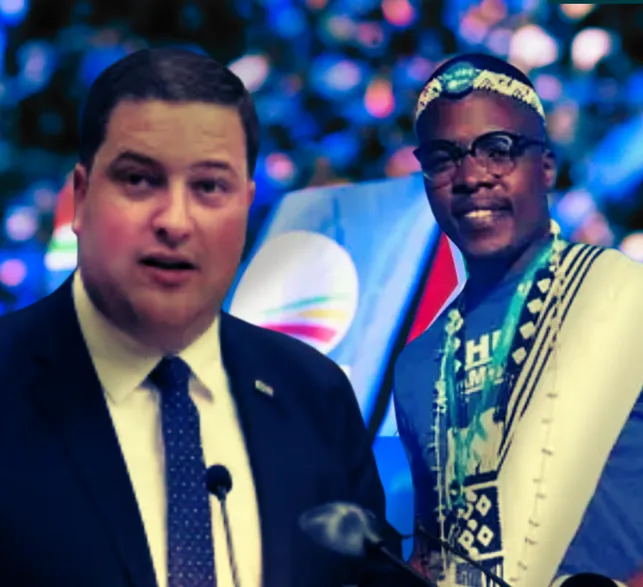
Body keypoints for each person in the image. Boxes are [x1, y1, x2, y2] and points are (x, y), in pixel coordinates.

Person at [0, 47, 401, 587]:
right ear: (82, 196)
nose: (176, 221)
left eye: (210, 186)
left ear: (247, 205)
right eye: (139, 180)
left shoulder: (314, 395)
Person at [392, 52, 643, 587]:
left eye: (498, 149)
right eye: (443, 158)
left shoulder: (641, 301)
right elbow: (436, 555)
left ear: (547, 167)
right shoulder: (418, 367)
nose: (471, 177)